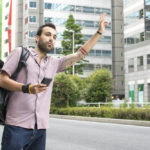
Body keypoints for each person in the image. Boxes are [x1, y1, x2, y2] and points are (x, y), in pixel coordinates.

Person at [0, 13, 108, 150]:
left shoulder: (54, 63)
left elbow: (79, 54)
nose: (51, 39)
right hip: (16, 126)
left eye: (54, 37)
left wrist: (98, 32)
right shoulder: (20, 53)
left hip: (40, 129)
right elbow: (2, 80)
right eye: (48, 35)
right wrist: (27, 88)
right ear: (37, 38)